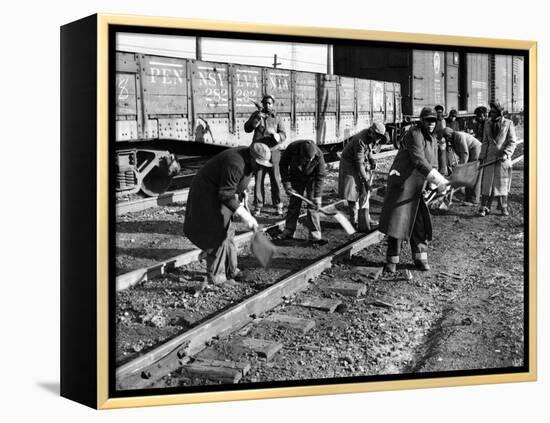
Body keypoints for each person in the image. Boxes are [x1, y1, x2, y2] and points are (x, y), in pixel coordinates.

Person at [184, 143, 272, 284]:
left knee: (229, 231)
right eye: (259, 164)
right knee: (217, 233)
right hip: (207, 194)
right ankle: (217, 277)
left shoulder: (248, 160)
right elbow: (225, 194)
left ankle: (231, 270)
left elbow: (234, 184)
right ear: (252, 158)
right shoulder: (235, 164)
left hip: (221, 192)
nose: (261, 168)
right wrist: (245, 215)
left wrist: (242, 194)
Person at [379, 107, 449, 273]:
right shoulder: (414, 134)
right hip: (403, 183)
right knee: (397, 222)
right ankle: (392, 261)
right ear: (421, 121)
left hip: (419, 186)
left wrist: (432, 184)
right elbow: (418, 160)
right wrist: (439, 180)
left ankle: (420, 258)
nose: (430, 124)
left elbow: (433, 164)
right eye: (427, 121)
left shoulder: (433, 139)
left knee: (420, 223)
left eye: (433, 121)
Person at [338, 122, 386, 231]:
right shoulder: (360, 140)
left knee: (364, 192)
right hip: (349, 165)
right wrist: (366, 178)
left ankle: (365, 218)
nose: (378, 140)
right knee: (353, 193)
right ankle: (353, 220)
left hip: (358, 164)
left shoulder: (370, 137)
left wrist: (371, 159)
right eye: (378, 137)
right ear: (372, 132)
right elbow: (358, 162)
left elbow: (368, 150)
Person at [244, 94, 287, 217]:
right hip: (259, 152)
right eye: (265, 103)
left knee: (275, 179)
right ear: (262, 104)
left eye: (270, 103)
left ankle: (278, 205)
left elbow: (284, 134)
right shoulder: (257, 114)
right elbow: (247, 128)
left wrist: (278, 136)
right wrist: (256, 119)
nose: (267, 105)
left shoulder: (277, 118)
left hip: (273, 151)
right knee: (259, 179)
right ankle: (258, 206)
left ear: (272, 104)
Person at [279, 139, 327, 241]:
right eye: (307, 159)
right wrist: (287, 184)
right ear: (302, 154)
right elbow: (283, 165)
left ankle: (315, 233)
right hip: (296, 176)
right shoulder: (292, 148)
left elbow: (321, 175)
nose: (310, 161)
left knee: (312, 204)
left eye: (312, 159)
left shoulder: (319, 154)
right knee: (294, 202)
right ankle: (289, 230)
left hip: (312, 178)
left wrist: (317, 196)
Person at [478, 101, 518, 217]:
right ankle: (484, 207)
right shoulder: (487, 124)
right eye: (491, 112)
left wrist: (506, 153)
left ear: (500, 112)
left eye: (495, 112)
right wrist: (481, 157)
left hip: (502, 159)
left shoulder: (508, 123)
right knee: (487, 184)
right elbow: (485, 142)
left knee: (502, 184)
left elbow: (512, 142)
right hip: (489, 158)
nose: (492, 114)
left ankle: (503, 207)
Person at [442, 127, 482, 204]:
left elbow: (464, 154)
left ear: (451, 133)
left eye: (447, 136)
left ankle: (474, 200)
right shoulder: (451, 139)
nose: (447, 138)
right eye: (445, 137)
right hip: (470, 153)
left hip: (476, 151)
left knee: (473, 176)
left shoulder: (459, 136)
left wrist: (460, 168)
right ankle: (467, 197)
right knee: (468, 176)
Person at [434, 104, 448, 175]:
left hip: (441, 141)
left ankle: (442, 173)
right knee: (435, 157)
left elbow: (443, 131)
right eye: (438, 112)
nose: (439, 114)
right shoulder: (434, 121)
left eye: (440, 112)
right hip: (435, 141)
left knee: (442, 157)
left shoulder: (443, 121)